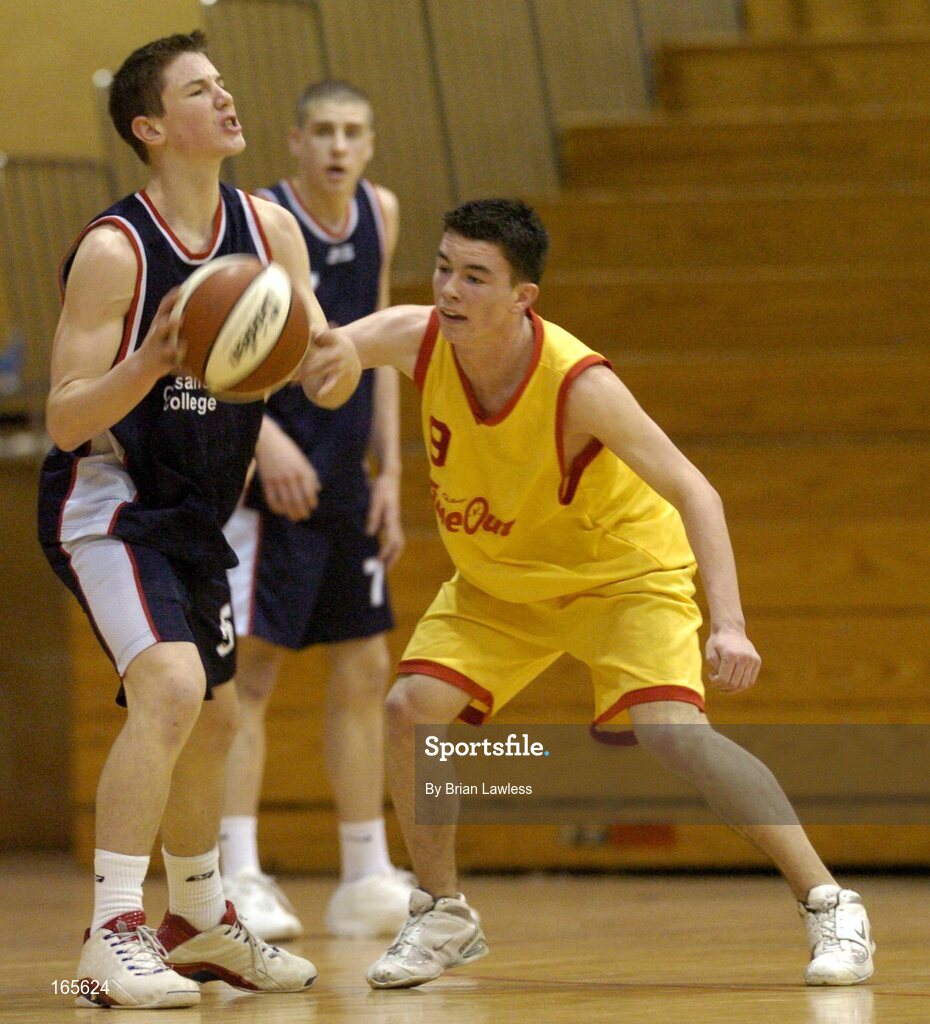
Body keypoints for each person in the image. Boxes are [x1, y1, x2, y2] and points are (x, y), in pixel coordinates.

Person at [323, 198, 876, 991]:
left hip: (622, 578)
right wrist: (303, 347)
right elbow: (335, 347)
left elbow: (696, 491)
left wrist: (732, 625)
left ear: (523, 299)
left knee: (671, 733)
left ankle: (829, 900)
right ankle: (442, 910)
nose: (450, 290)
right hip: (500, 583)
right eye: (445, 268)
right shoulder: (419, 338)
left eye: (475, 277)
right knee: (410, 708)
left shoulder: (579, 384)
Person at [36, 32, 359, 1009]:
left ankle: (198, 922)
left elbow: (318, 364)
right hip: (111, 501)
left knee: (217, 719)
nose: (226, 101)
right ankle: (111, 929)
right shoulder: (115, 249)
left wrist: (335, 363)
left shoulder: (271, 232)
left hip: (199, 509)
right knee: (172, 686)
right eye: (199, 91)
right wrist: (151, 362)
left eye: (224, 84)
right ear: (150, 126)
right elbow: (61, 415)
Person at [219, 80, 411, 942]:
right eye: (323, 132)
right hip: (265, 480)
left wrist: (391, 469)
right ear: (294, 142)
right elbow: (214, 344)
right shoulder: (259, 219)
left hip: (345, 477)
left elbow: (379, 348)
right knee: (250, 671)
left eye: (353, 132)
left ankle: (366, 871)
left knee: (366, 667)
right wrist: (264, 440)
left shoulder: (381, 210)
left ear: (370, 145)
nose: (338, 146)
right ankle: (238, 874)